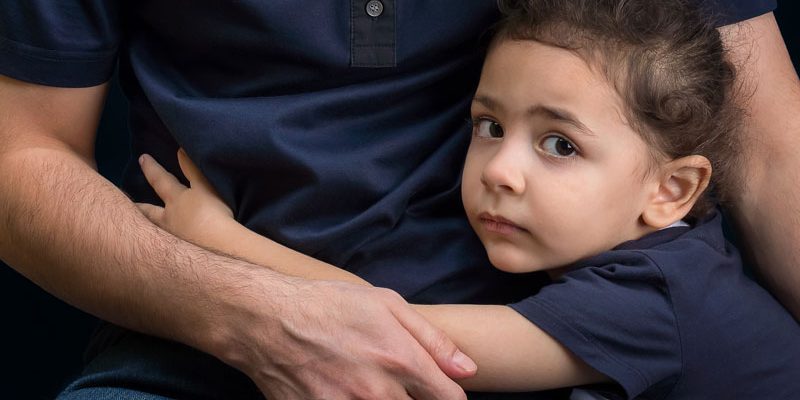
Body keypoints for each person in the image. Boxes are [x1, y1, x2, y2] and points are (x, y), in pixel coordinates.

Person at [0, 0, 796, 399]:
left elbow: (410, 339)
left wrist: (219, 236)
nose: (500, 172)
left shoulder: (654, 298)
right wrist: (233, 301)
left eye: (559, 145)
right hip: (191, 351)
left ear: (673, 190)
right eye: (486, 127)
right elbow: (20, 151)